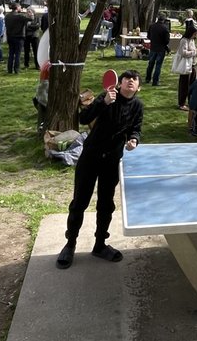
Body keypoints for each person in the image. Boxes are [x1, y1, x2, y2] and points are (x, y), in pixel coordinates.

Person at [57, 69, 143, 269]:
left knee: (106, 204)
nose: (130, 81)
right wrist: (102, 103)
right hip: (91, 157)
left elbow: (136, 128)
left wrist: (134, 139)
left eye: (134, 79)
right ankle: (70, 245)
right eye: (126, 78)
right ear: (119, 84)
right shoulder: (106, 98)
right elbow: (83, 118)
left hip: (112, 161)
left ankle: (100, 244)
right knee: (79, 201)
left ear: (138, 86)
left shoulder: (138, 106)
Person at [172, 25, 197, 110]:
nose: (195, 36)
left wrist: (196, 52)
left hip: (193, 64)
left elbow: (193, 50)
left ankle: (191, 101)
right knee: (184, 85)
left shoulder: (192, 40)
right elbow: (183, 53)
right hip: (186, 65)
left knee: (192, 84)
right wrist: (194, 52)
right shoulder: (184, 40)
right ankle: (181, 103)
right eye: (194, 34)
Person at [145, 14, 171, 86]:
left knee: (150, 64)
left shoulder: (152, 26)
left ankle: (148, 78)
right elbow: (167, 41)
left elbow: (148, 36)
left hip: (153, 47)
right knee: (158, 65)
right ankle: (155, 81)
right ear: (164, 20)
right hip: (161, 49)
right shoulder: (165, 28)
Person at [5, 3, 30, 75]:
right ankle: (16, 69)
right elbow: (31, 19)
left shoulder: (7, 16)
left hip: (10, 36)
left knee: (11, 53)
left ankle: (9, 69)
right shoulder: (20, 16)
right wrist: (28, 13)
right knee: (17, 54)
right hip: (19, 37)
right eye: (20, 7)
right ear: (17, 8)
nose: (21, 8)